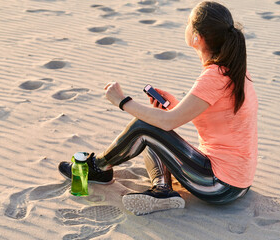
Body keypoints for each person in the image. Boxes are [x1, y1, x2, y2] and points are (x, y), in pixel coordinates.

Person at [58, 1, 258, 215]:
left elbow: (168, 122)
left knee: (146, 125)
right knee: (153, 129)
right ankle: (162, 191)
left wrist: (123, 102)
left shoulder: (213, 77)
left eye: (189, 22)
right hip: (238, 184)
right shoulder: (234, 72)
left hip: (218, 186)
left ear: (196, 37)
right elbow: (213, 118)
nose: (186, 26)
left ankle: (98, 168)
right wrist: (173, 104)